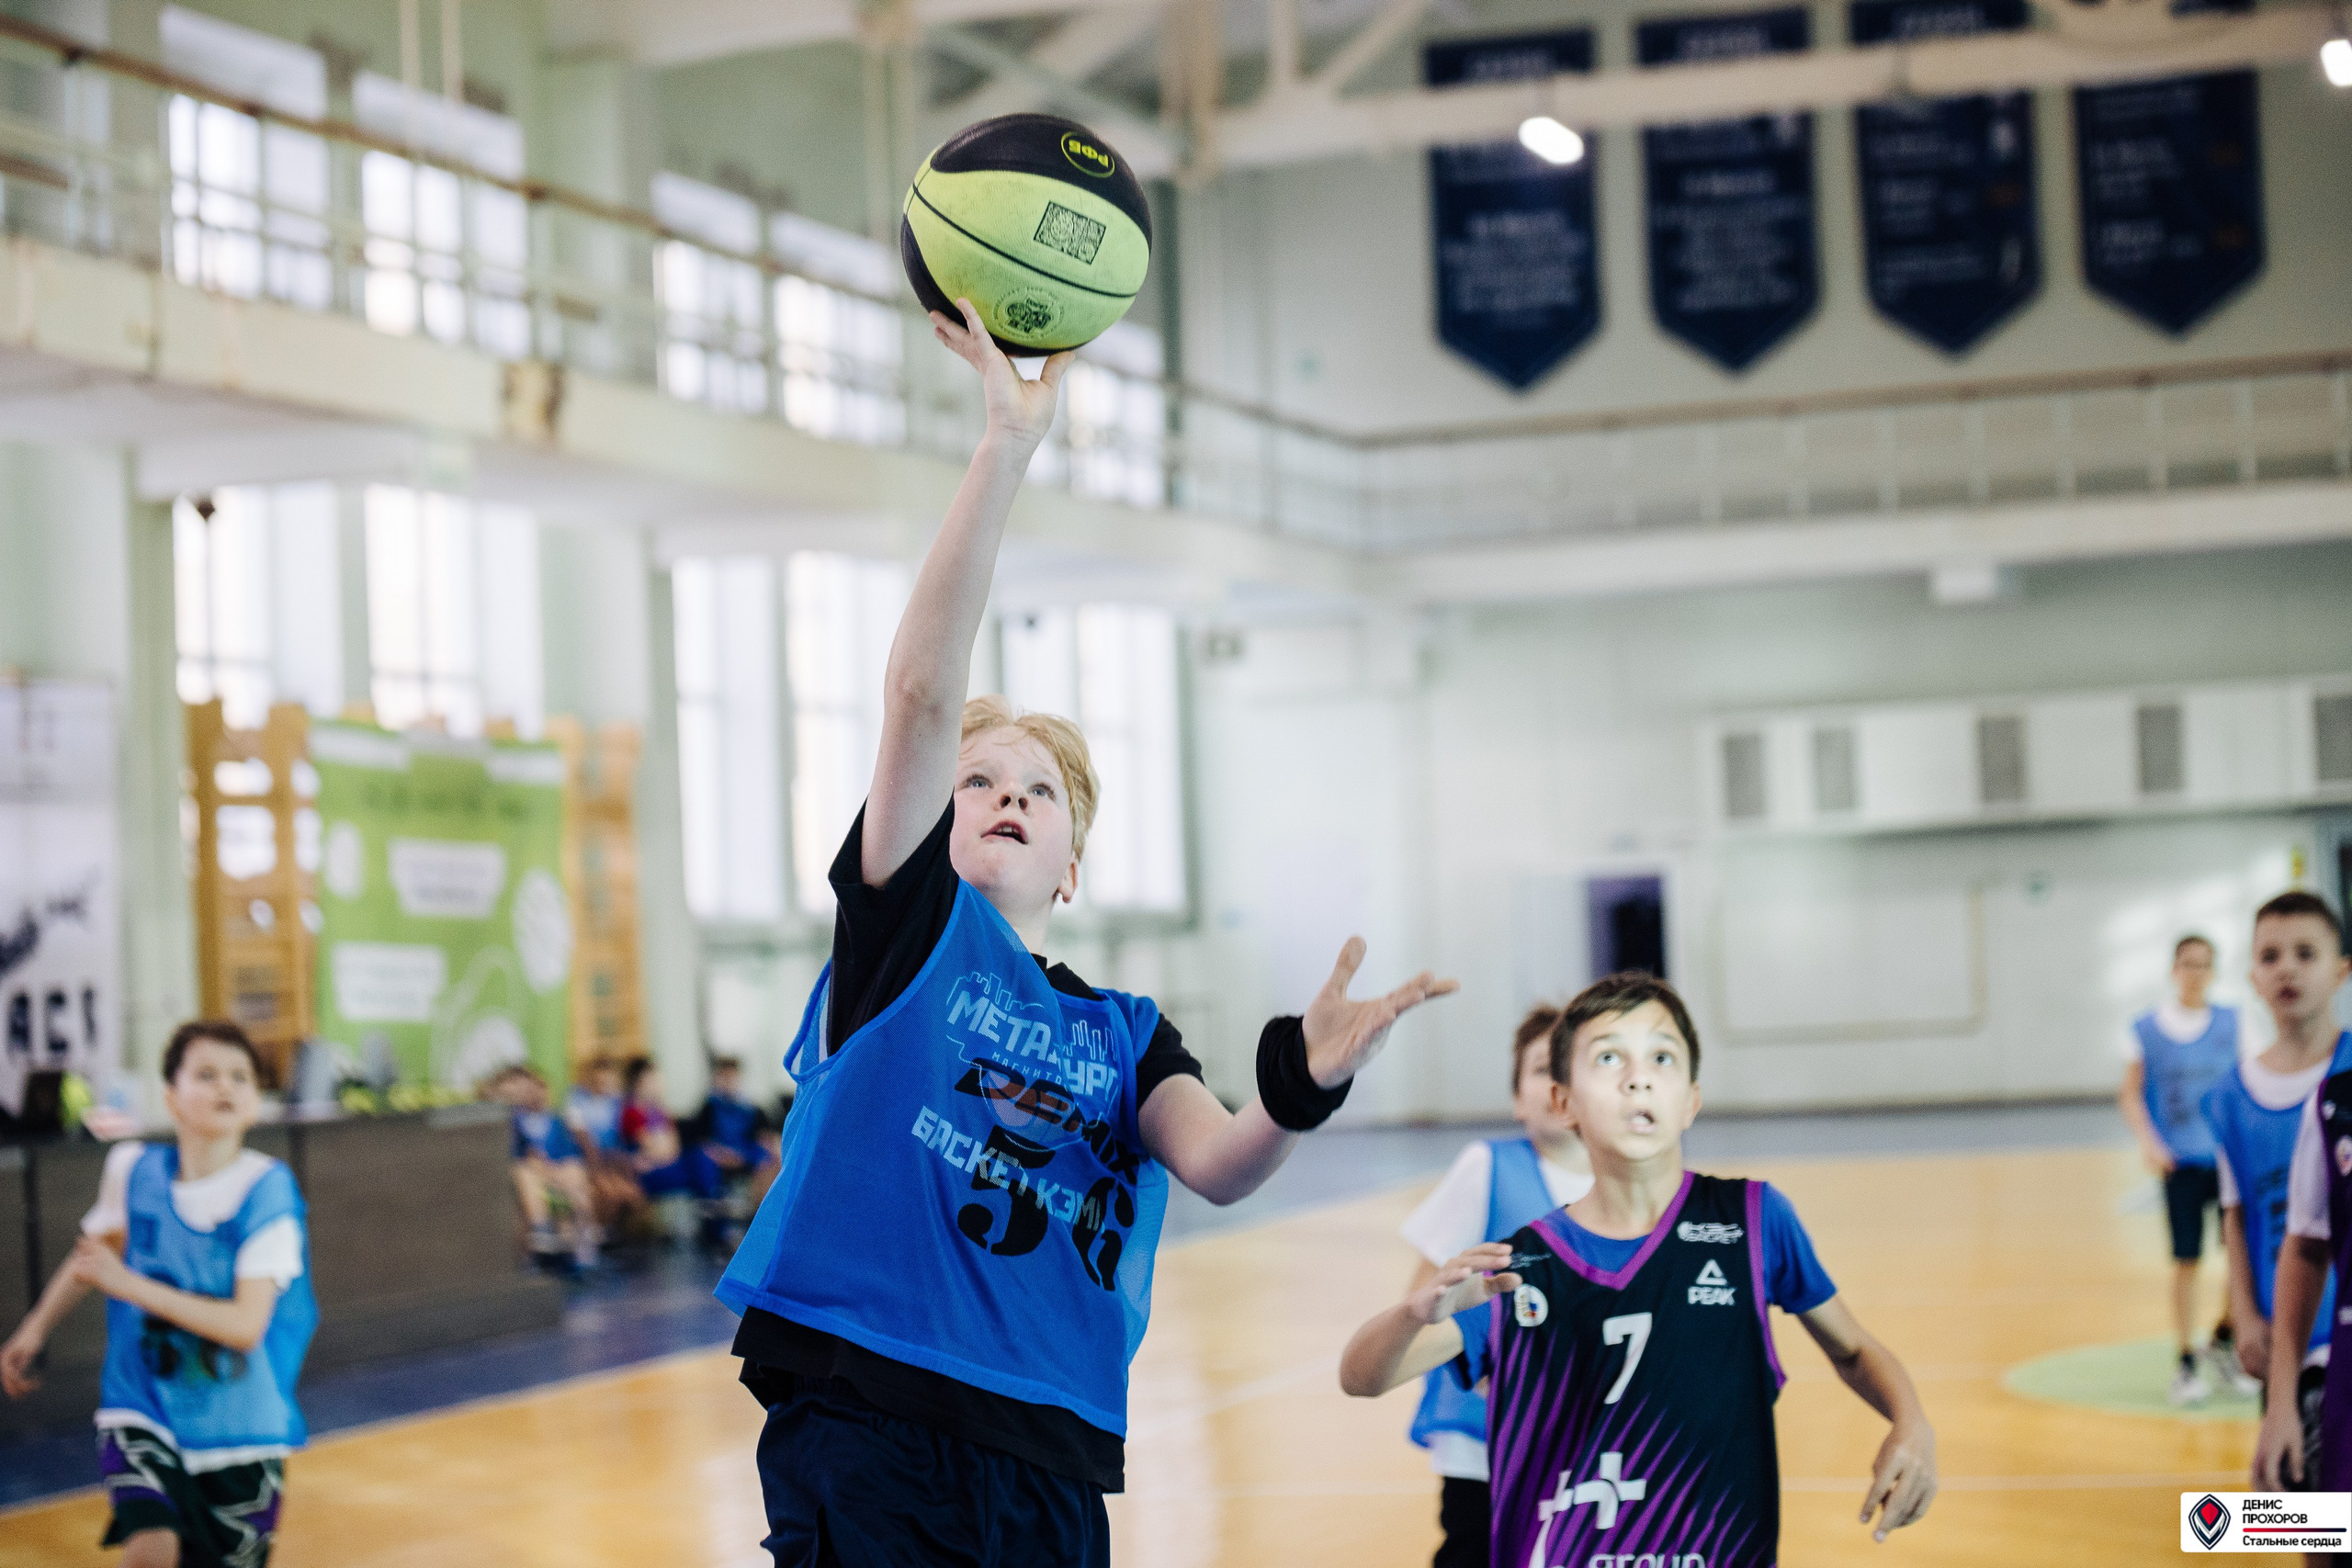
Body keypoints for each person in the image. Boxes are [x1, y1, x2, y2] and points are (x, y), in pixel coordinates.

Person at [716, 297, 1457, 1567]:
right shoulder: (907, 938)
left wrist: (1305, 1078)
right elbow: (918, 688)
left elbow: (1223, 1161)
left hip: (1052, 1446)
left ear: (1071, 868)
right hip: (871, 1411)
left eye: (1039, 791)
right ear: (930, 821)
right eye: (978, 779)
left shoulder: (1124, 1032)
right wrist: (1007, 444)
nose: (1005, 795)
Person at [1340, 973, 1936, 1566]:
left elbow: (1854, 1349)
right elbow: (1361, 1377)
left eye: (1661, 1056)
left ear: (1691, 1100)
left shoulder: (1754, 1219)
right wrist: (1411, 1312)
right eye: (1607, 1057)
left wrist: (1910, 1422)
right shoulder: (1521, 1264)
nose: (1638, 1075)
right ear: (1563, 1100)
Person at [0, 1020, 318, 1568]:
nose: (225, 1087)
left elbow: (245, 1327)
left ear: (255, 1104)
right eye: (207, 1074)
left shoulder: (268, 1193)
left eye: (240, 1077)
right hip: (142, 1404)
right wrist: (35, 1327)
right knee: (150, 1551)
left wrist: (130, 1286)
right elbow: (91, 1258)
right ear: (172, 1098)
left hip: (240, 1428)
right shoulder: (132, 1169)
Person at [1396, 1003, 1592, 1568]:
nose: (1556, 1080)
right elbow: (1421, 1299)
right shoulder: (1487, 1166)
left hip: (1588, 1434)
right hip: (1482, 1436)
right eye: (1539, 1068)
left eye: (1572, 1064)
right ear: (1515, 1099)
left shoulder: (1627, 1184)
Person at [2246, 894, 2352, 1506]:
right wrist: (2243, 1309)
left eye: (2305, 952)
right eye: (2271, 955)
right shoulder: (2333, 1102)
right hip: (2314, 1351)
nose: (2287, 968)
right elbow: (2255, 1224)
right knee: (2308, 1519)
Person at [2118, 932, 2243, 1403]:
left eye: (2204, 964)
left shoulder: (2233, 1023)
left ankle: (2225, 1340)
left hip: (2229, 1161)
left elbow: (2246, 1087)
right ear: (2175, 971)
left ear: (2214, 971)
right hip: (2180, 1164)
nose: (2196, 973)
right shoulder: (2146, 1029)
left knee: (2241, 1258)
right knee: (2186, 1261)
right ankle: (2185, 1361)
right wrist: (2150, 1143)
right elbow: (2129, 1092)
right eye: (2188, 964)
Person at [490, 1065, 602, 1269]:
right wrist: (546, 1171)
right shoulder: (508, 1118)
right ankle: (541, 1231)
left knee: (574, 1170)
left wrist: (557, 1170)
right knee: (525, 1173)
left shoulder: (555, 1120)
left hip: (550, 1170)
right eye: (516, 1086)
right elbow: (523, 1156)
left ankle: (581, 1240)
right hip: (522, 1174)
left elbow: (564, 1151)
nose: (528, 1092)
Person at [619, 1057, 722, 1206]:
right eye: (653, 1079)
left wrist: (664, 1149)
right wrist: (663, 1148)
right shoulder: (632, 1113)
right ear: (639, 1082)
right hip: (649, 1174)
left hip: (668, 1164)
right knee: (702, 1170)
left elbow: (674, 1146)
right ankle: (714, 1207)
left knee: (702, 1157)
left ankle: (713, 1206)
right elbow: (651, 1147)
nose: (658, 1084)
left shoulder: (660, 1111)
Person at [684, 1056, 783, 1209]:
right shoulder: (709, 1108)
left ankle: (761, 1211)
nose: (728, 1082)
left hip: (746, 1154)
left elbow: (765, 1136)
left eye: (732, 1077)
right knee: (701, 1159)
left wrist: (774, 1150)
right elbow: (701, 1141)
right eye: (724, 1077)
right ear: (716, 1078)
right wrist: (722, 1155)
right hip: (717, 1156)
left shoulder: (751, 1109)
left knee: (771, 1159)